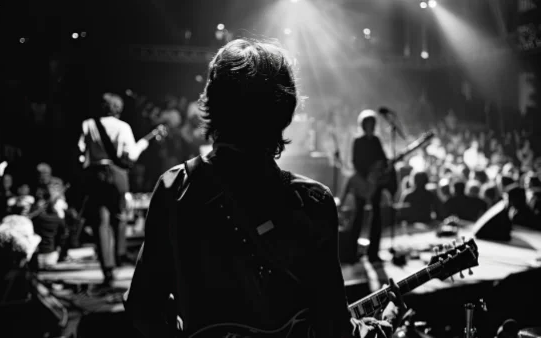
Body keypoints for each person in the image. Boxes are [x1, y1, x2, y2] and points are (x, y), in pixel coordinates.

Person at [125, 38, 406, 338]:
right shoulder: (311, 203)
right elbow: (333, 329)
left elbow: (142, 308)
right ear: (285, 111)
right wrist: (381, 327)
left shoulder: (175, 188)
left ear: (211, 102)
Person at [78, 92, 149, 285]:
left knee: (100, 221)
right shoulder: (123, 127)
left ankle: (107, 269)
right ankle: (119, 255)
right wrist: (143, 144)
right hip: (117, 173)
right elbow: (132, 155)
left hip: (95, 173)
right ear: (118, 108)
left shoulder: (88, 124)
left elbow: (81, 153)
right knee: (120, 216)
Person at [349, 109, 392, 262]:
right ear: (363, 125)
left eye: (373, 123)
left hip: (375, 183)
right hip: (361, 182)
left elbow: (383, 159)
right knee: (358, 216)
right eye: (368, 123)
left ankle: (373, 253)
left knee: (376, 215)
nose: (371, 126)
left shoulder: (376, 141)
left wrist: (383, 167)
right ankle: (352, 252)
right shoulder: (358, 141)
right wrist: (366, 176)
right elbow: (354, 161)